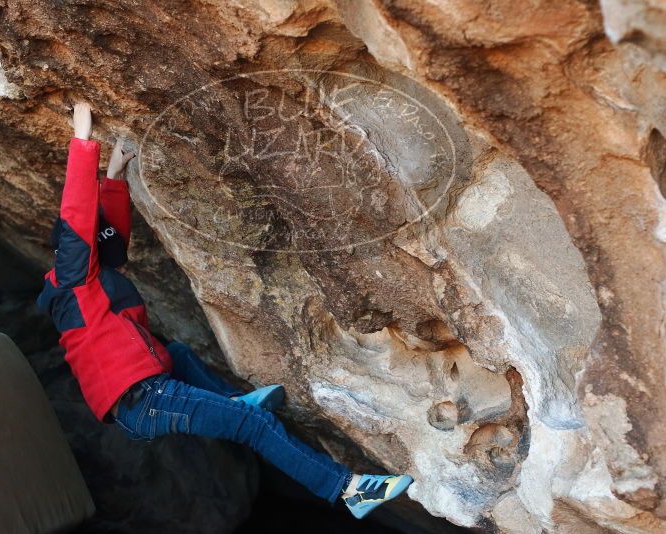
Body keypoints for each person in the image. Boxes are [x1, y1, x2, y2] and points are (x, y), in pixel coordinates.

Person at [36, 102, 414, 519]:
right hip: (144, 399)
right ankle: (348, 490)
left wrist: (114, 176)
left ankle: (238, 401)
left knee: (176, 353)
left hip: (143, 394)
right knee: (253, 427)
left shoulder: (89, 282)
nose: (113, 255)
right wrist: (81, 140)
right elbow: (76, 220)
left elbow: (110, 238)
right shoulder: (73, 278)